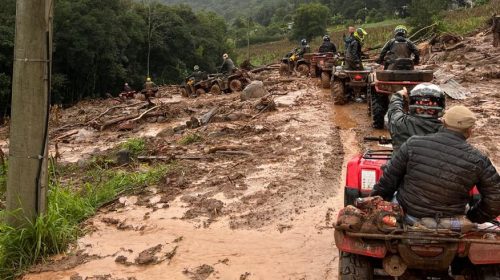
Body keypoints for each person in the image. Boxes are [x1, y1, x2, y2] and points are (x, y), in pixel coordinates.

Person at [372, 105, 500, 224]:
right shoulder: (479, 159)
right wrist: (472, 217)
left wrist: (373, 203)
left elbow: (387, 182)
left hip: (409, 216)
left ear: (443, 123)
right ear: (470, 131)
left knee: (394, 195)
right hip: (452, 223)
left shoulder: (413, 144)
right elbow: (496, 199)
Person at [387, 83, 444, 153]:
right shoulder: (447, 131)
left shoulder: (400, 123)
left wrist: (398, 95)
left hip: (402, 163)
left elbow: (394, 109)